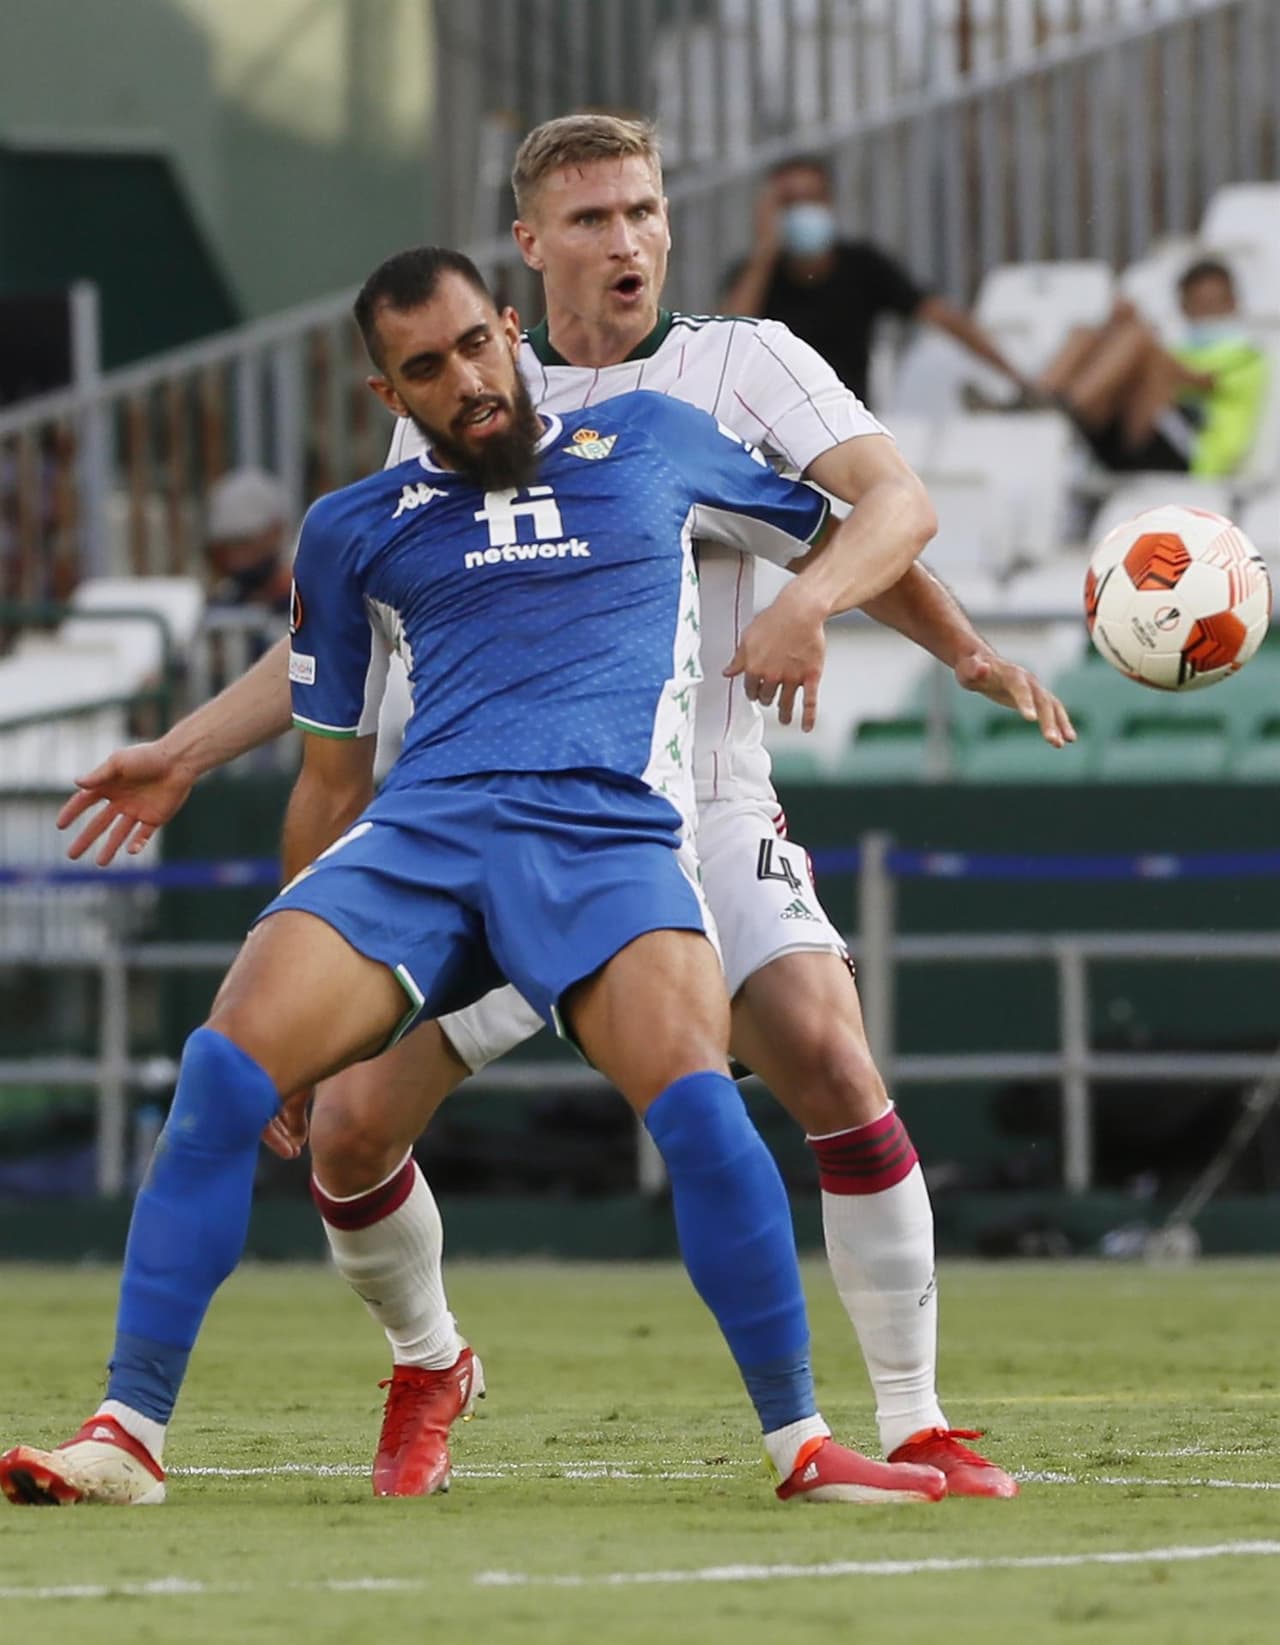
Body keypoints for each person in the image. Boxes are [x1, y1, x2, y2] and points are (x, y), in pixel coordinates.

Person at [48, 116, 1072, 1503]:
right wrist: (187, 742)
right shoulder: (475, 389)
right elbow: (339, 639)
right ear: (526, 255)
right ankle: (426, 1358)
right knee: (347, 1127)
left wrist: (903, 633)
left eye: (643, 210)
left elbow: (877, 513)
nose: (628, 239)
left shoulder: (727, 374)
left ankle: (907, 1418)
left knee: (820, 1051)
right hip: (469, 807)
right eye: (592, 219)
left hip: (688, 794)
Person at [720, 154, 1027, 408]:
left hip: (844, 417)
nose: (803, 211)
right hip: (770, 419)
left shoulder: (862, 266)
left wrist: (1016, 377)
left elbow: (941, 316)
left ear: (829, 203)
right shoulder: (753, 274)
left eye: (811, 199)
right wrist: (764, 254)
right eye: (789, 202)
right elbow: (727, 340)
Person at [1024, 258, 1269, 475]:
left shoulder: (1247, 355)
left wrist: (1139, 336)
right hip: (1134, 441)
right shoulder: (1182, 347)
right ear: (1184, 307)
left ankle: (1065, 410)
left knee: (1137, 338)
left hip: (1191, 456)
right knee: (1087, 334)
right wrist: (1114, 329)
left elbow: (1196, 380)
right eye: (1200, 305)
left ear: (1234, 302)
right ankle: (1040, 399)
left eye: (1215, 304)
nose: (1208, 314)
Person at [205, 468, 294, 615]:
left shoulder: (308, 603)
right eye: (226, 547)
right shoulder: (224, 603)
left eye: (244, 543)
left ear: (276, 531)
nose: (236, 559)